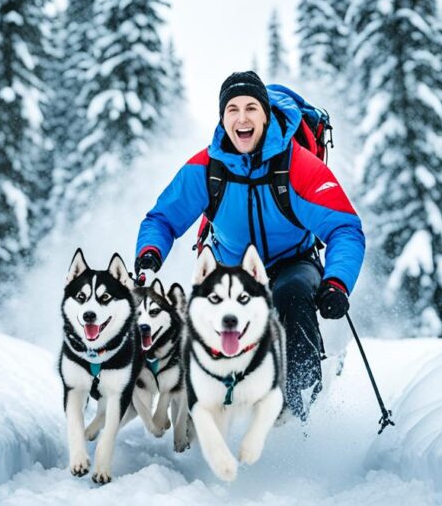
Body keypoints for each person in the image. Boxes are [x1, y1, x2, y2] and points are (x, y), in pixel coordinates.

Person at [134, 70, 365, 420]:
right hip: (232, 269)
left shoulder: (297, 166)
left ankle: (298, 407)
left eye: (252, 108)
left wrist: (336, 282)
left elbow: (344, 229)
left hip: (292, 261)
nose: (242, 118)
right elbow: (162, 219)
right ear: (223, 118)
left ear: (266, 115)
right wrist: (150, 255)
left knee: (293, 295)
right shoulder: (208, 168)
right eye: (233, 110)